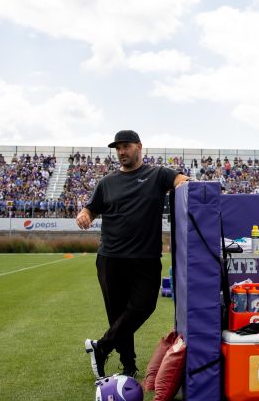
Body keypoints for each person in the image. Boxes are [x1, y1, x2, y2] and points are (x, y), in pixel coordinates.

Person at [78, 130, 188, 380]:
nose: (121, 152)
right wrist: (84, 215)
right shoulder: (107, 182)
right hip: (110, 257)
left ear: (139, 147)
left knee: (144, 306)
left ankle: (101, 347)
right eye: (118, 148)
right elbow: (91, 208)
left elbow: (180, 179)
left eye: (126, 146)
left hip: (146, 257)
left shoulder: (157, 174)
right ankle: (128, 366)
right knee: (118, 314)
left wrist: (181, 184)